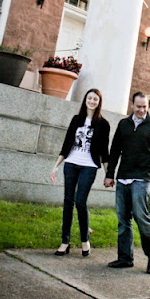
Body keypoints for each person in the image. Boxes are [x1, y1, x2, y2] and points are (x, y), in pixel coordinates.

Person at [104, 91, 150, 274]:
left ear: (148, 106)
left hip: (142, 177)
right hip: (123, 177)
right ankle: (125, 258)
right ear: (132, 105)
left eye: (145, 107)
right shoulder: (123, 124)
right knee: (123, 219)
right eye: (138, 107)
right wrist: (110, 174)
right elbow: (115, 150)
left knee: (140, 215)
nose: (142, 110)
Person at [51, 88, 110, 257]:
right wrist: (56, 165)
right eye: (89, 98)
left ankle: (85, 240)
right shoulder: (76, 119)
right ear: (85, 100)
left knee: (80, 202)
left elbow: (104, 151)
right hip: (71, 163)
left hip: (88, 166)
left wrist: (108, 174)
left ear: (99, 103)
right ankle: (65, 242)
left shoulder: (103, 124)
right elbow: (66, 144)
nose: (92, 101)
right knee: (68, 201)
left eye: (95, 99)